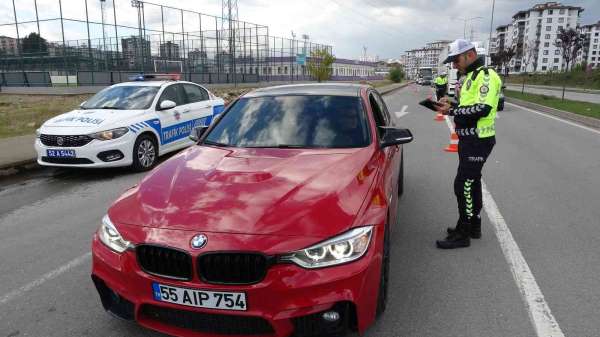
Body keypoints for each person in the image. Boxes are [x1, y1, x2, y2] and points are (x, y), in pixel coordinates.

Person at [433, 39, 502, 249]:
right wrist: (450, 104)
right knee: (472, 182)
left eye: (456, 60)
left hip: (478, 140)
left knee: (462, 184)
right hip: (468, 139)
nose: (454, 65)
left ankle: (463, 233)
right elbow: (467, 105)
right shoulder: (469, 77)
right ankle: (474, 225)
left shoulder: (487, 76)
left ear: (470, 55)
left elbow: (482, 109)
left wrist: (451, 111)